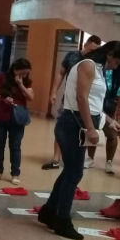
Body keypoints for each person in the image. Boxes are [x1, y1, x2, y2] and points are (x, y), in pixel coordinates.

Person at [38, 41, 120, 240]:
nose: (117, 67)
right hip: (73, 124)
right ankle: (61, 218)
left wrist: (113, 124)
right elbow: (81, 98)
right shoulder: (87, 65)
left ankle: (50, 210)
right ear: (110, 54)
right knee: (74, 172)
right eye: (118, 62)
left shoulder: (99, 69)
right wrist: (90, 128)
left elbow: (95, 106)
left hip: (78, 124)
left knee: (71, 171)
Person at [42, 35, 101, 170]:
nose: (92, 53)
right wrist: (53, 92)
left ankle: (78, 160)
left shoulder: (94, 62)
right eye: (91, 49)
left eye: (95, 51)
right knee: (61, 129)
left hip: (87, 104)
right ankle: (56, 158)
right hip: (69, 101)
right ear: (85, 44)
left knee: (82, 132)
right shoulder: (72, 56)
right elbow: (60, 73)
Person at [0, 58, 34, 185]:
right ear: (14, 69)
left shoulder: (26, 82)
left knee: (15, 146)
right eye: (22, 72)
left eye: (26, 73)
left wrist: (21, 84)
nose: (24, 75)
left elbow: (31, 97)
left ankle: (15, 173)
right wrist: (2, 98)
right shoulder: (2, 77)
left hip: (17, 119)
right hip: (0, 116)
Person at [84, 69, 120, 173]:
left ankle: (109, 161)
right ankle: (90, 158)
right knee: (94, 129)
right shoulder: (99, 67)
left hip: (112, 102)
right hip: (97, 100)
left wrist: (118, 108)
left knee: (112, 134)